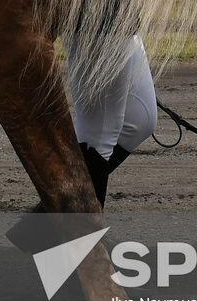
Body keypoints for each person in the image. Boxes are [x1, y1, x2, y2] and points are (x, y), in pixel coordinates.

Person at [66, 35, 157, 207]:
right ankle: (71, 231)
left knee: (139, 120)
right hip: (98, 17)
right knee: (97, 136)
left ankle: (40, 228)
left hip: (124, 20)